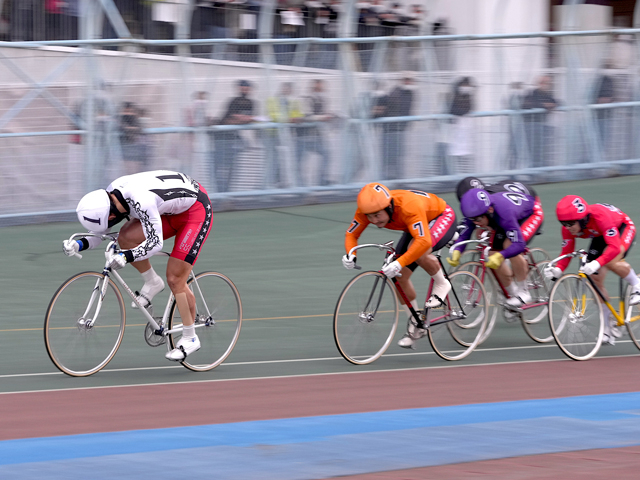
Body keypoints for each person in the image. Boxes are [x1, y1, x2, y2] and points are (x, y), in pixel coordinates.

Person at [62, 170, 213, 361]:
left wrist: (126, 257)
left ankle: (190, 337)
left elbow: (155, 243)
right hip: (167, 210)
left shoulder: (141, 201)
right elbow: (101, 234)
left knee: (176, 279)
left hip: (195, 212)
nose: (109, 222)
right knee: (125, 238)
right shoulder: (111, 197)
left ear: (110, 215)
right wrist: (78, 244)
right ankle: (152, 282)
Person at [342, 182, 457, 348]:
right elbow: (351, 234)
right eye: (370, 216)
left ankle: (442, 282)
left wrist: (399, 262)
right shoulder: (365, 210)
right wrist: (351, 254)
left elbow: (423, 241)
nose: (374, 221)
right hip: (414, 224)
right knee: (398, 276)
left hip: (440, 216)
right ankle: (417, 322)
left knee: (418, 251)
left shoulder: (408, 206)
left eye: (377, 215)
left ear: (389, 206)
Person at [545, 195, 640, 345]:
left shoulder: (600, 217)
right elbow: (566, 252)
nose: (568, 228)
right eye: (564, 223)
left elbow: (614, 247)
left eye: (570, 223)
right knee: (594, 280)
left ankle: (637, 284)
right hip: (600, 235)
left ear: (582, 218)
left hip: (622, 227)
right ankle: (607, 328)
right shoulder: (569, 228)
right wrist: (558, 269)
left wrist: (597, 263)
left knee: (611, 261)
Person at [448, 185, 544, 310]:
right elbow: (465, 234)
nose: (476, 223)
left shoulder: (504, 213)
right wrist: (457, 250)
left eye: (478, 219)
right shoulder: (475, 211)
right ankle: (513, 294)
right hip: (504, 217)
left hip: (531, 214)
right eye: (472, 220)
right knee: (491, 253)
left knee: (509, 245)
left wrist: (503, 255)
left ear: (490, 210)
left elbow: (519, 244)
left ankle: (524, 292)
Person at [212, 80, 255, 193]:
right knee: (219, 167)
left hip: (233, 138)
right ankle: (220, 192)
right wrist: (240, 119)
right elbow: (230, 119)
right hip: (221, 138)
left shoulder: (250, 102)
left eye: (247, 88)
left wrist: (242, 119)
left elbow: (248, 119)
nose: (244, 90)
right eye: (242, 87)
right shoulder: (233, 101)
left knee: (232, 167)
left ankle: (227, 192)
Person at [296, 79, 333, 186]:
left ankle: (322, 179)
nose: (319, 91)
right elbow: (307, 116)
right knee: (300, 163)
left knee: (327, 154)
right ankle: (301, 186)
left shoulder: (323, 100)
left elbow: (322, 114)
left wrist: (329, 116)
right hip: (303, 137)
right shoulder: (306, 99)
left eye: (320, 89)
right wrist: (323, 117)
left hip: (316, 135)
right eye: (317, 89)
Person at [377, 75, 415, 180]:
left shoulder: (409, 94)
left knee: (397, 156)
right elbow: (392, 109)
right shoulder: (396, 93)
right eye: (407, 80)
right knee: (389, 157)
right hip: (392, 130)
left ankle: (397, 179)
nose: (409, 83)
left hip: (399, 130)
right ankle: (388, 179)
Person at [522, 76, 558, 168]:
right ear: (539, 84)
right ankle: (533, 173)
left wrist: (552, 105)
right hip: (531, 127)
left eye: (549, 84)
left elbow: (555, 102)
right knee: (533, 151)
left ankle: (541, 172)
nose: (548, 86)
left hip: (542, 126)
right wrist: (543, 105)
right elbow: (526, 104)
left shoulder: (547, 95)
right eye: (545, 83)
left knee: (543, 151)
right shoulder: (531, 94)